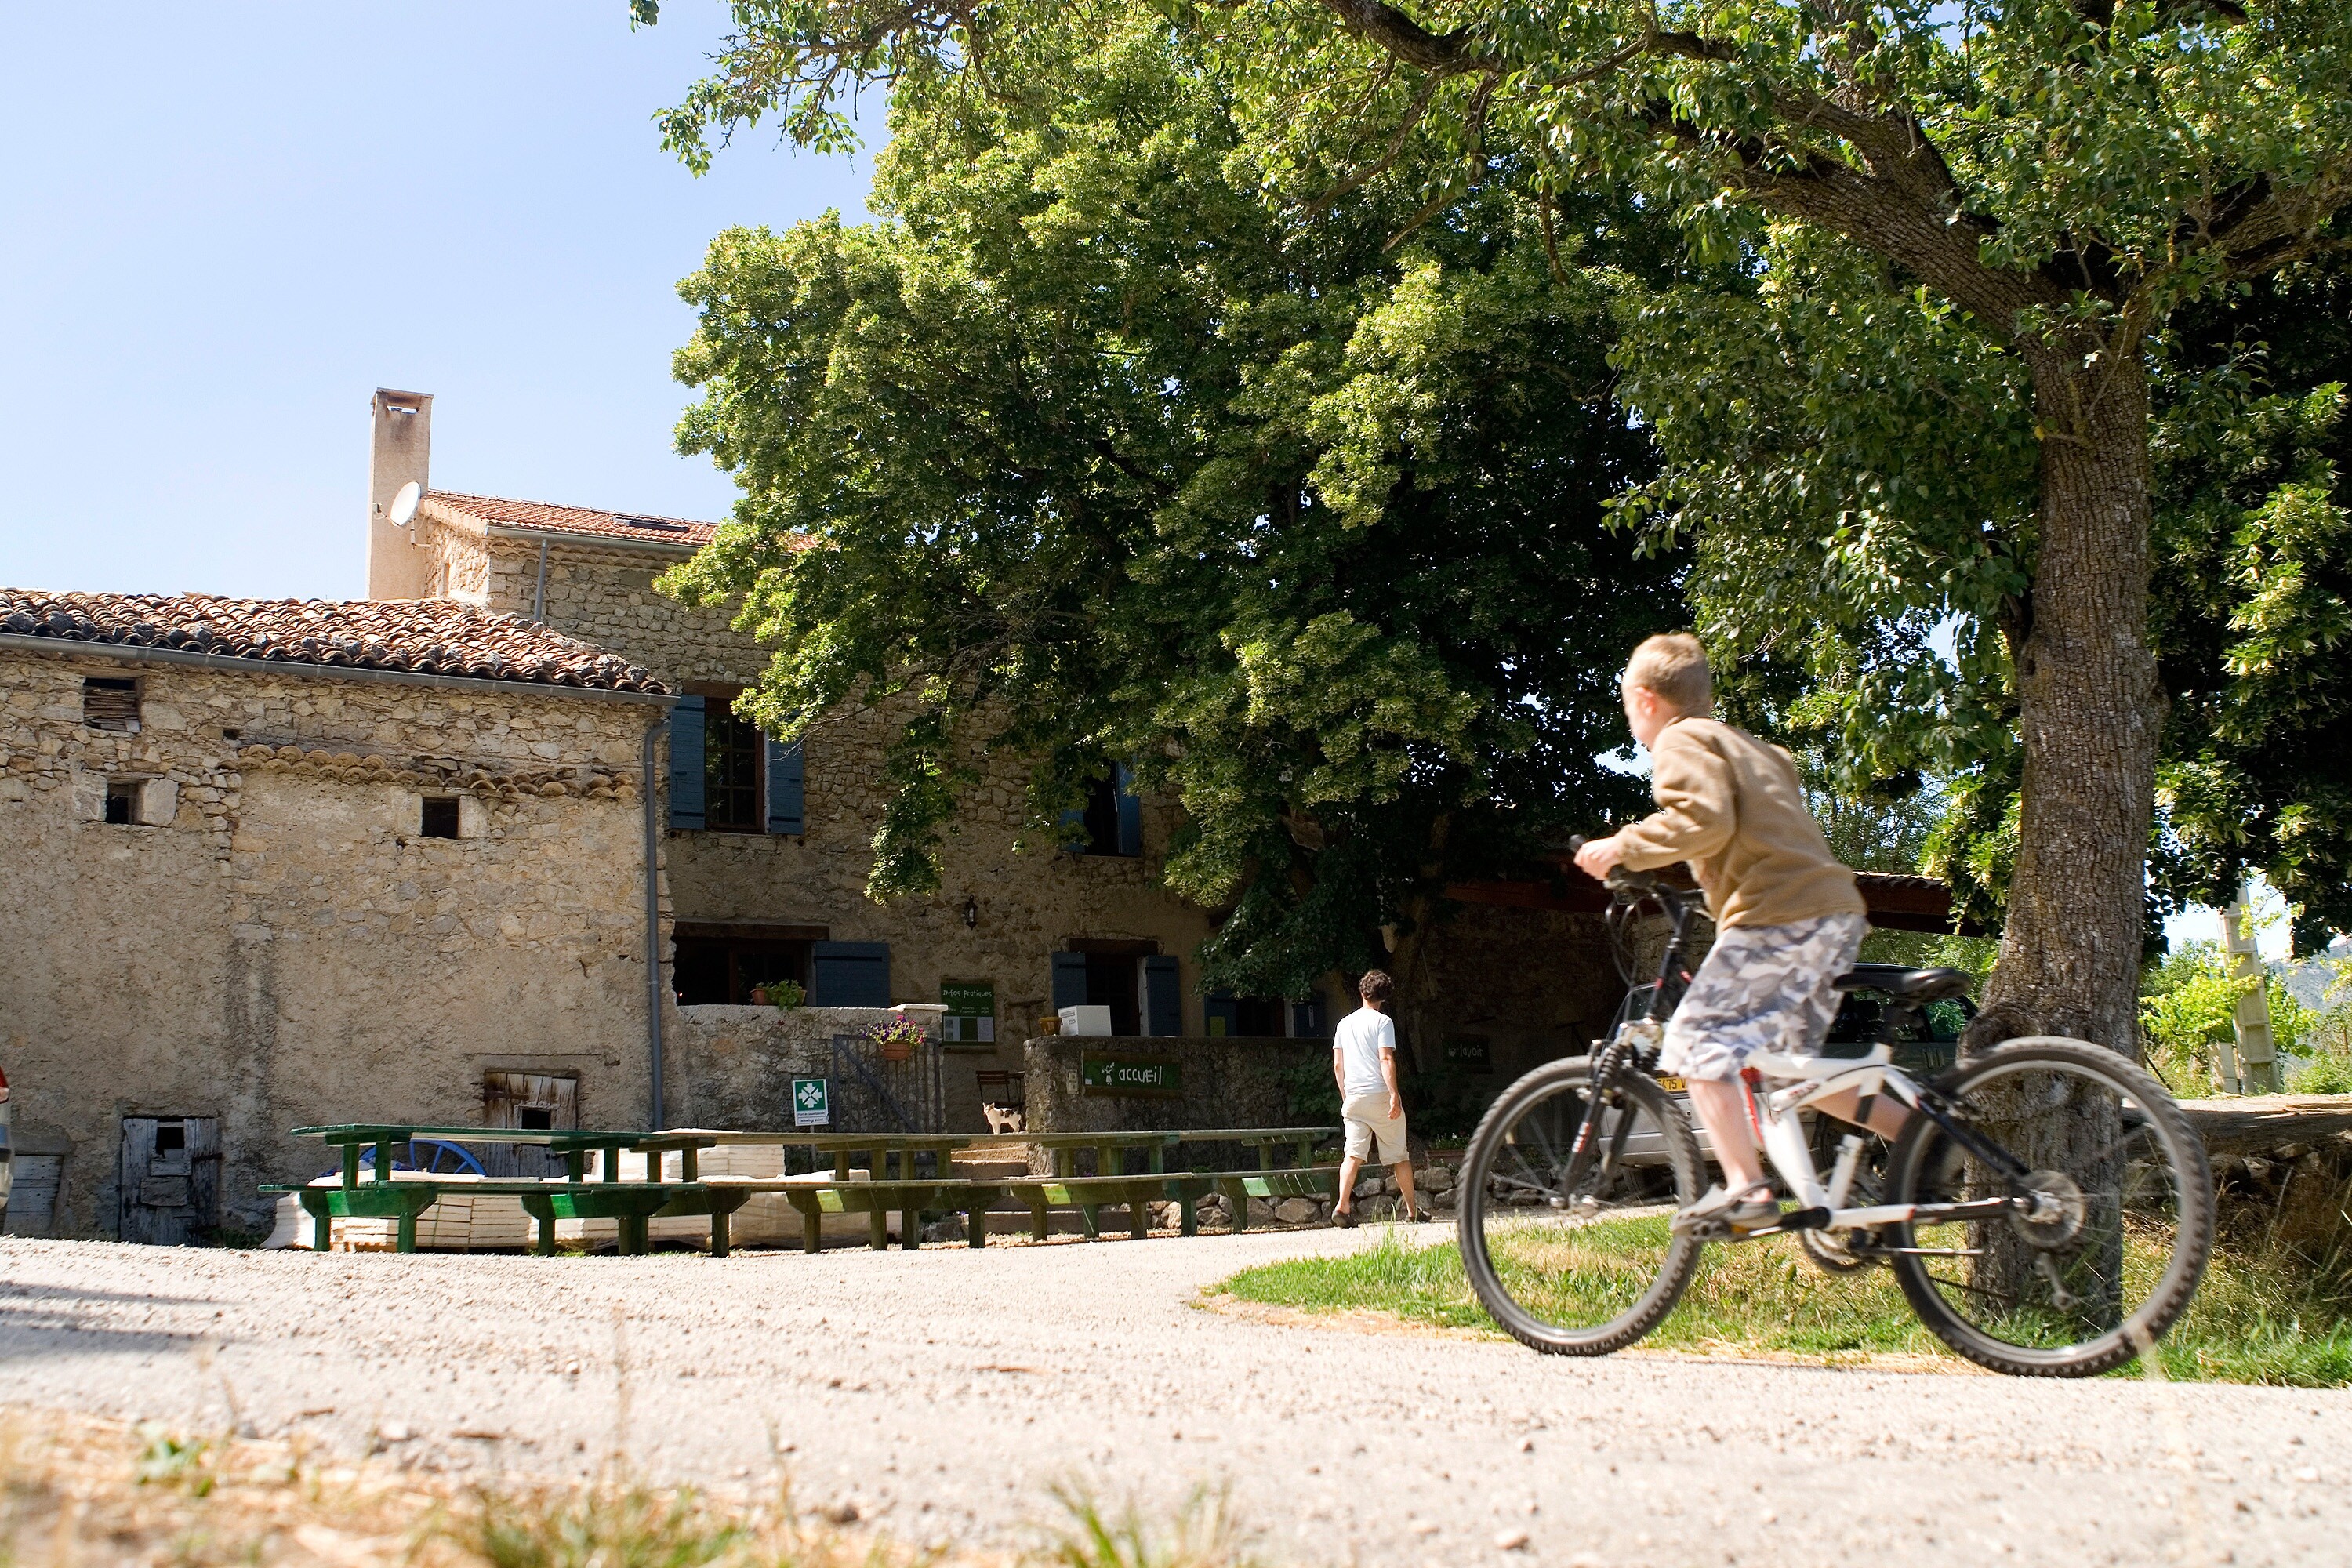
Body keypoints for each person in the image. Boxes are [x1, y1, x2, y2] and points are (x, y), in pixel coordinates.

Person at [1573, 633, 1904, 1235]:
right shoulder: (1756, 749)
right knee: (1788, 1072)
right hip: (1833, 912)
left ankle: (1747, 1190)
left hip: (1778, 915)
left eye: (1627, 708)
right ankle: (1924, 1133)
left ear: (1645, 701)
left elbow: (1702, 821)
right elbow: (1754, 832)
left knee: (1695, 1042)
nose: (1632, 724)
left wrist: (1622, 847)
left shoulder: (1680, 740)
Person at [1330, 969, 1427, 1227]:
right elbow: (1385, 1058)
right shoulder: (1383, 1022)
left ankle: (1342, 1205)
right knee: (1399, 1155)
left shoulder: (1344, 1024)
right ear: (1385, 997)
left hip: (1353, 1097)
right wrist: (1394, 1093)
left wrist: (1346, 1096)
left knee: (1352, 1154)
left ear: (1362, 992)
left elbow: (1338, 1065)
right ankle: (1412, 1211)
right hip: (1379, 1096)